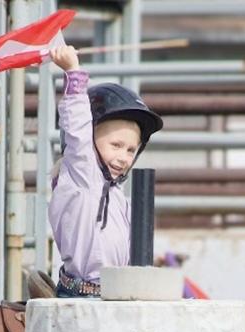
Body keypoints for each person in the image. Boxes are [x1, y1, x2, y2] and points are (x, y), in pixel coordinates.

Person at [47, 45, 163, 297]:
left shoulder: (117, 196)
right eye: (116, 145)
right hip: (83, 295)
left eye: (131, 150)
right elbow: (77, 127)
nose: (123, 157)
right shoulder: (82, 175)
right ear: (89, 141)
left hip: (113, 293)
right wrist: (73, 71)